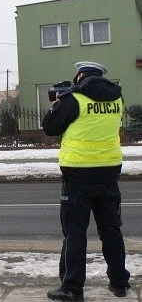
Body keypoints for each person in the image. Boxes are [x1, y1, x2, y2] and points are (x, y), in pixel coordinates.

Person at [42, 61, 131, 301]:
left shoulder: (75, 99)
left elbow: (50, 128)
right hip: (109, 173)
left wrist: (57, 104)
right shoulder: (117, 100)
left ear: (81, 75)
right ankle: (119, 283)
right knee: (112, 231)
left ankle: (72, 288)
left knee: (75, 233)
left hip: (78, 175)